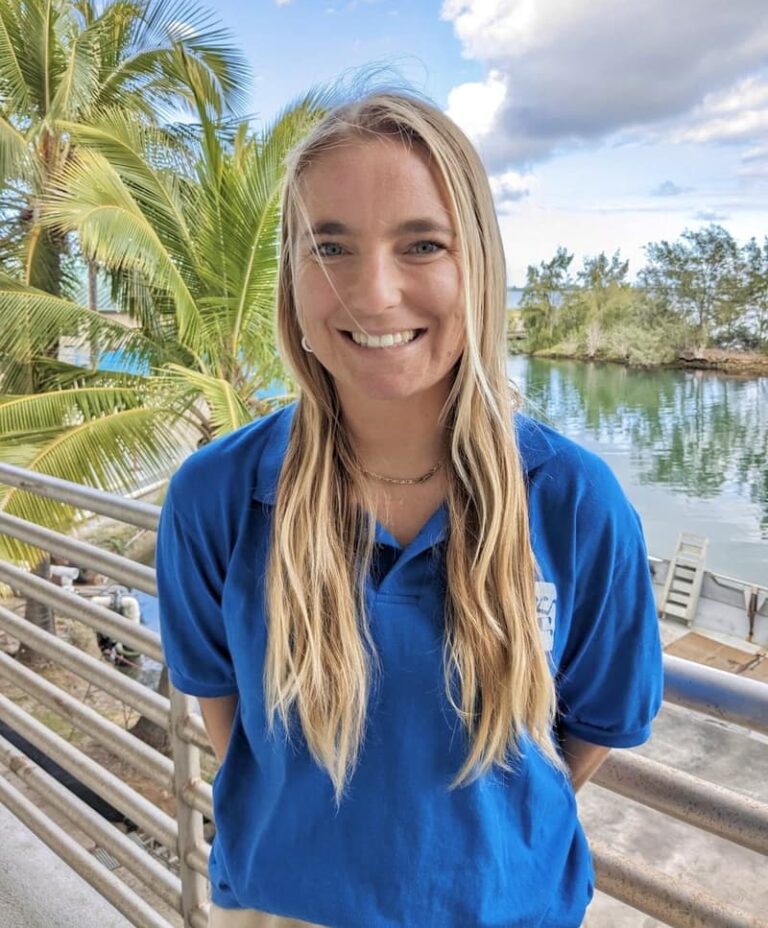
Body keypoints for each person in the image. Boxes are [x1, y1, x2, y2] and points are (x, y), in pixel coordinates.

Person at [156, 91, 663, 928]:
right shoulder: (217, 497)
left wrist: (473, 848)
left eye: (422, 244)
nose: (376, 294)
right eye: (331, 247)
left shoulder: (575, 503)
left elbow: (593, 728)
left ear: (481, 267)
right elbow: (229, 721)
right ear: (291, 274)